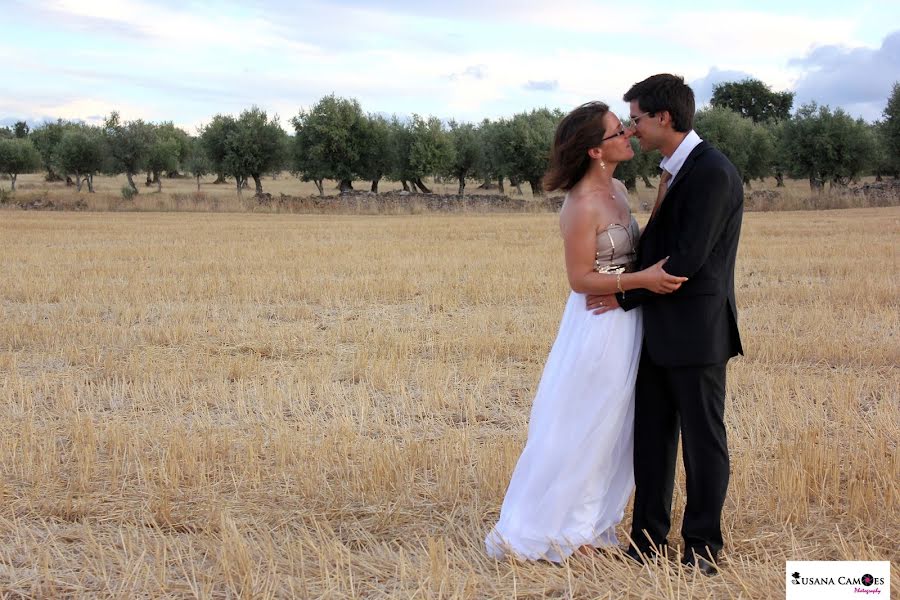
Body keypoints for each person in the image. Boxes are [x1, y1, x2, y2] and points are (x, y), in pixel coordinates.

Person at [485, 101, 686, 562]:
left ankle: (591, 526)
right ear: (596, 151)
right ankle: (554, 532)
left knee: (615, 427)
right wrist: (643, 281)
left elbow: (635, 246)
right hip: (599, 327)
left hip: (628, 319)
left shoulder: (617, 187)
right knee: (585, 424)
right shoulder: (581, 204)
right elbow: (579, 279)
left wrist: (662, 196)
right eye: (619, 131)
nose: (629, 134)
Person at [587, 74, 744, 576]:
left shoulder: (711, 172)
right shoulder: (674, 169)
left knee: (702, 443)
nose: (631, 129)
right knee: (651, 442)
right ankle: (647, 542)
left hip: (697, 334)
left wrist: (621, 294)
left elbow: (688, 259)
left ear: (664, 118)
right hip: (655, 333)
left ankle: (702, 548)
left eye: (635, 119)